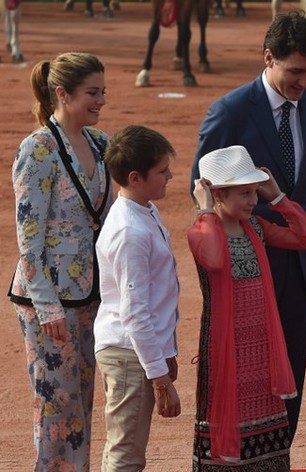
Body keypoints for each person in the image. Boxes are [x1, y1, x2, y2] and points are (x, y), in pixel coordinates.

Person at [189, 10, 306, 441]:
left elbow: (302, 185)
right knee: (244, 373)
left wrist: (281, 206)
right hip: (245, 265)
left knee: (290, 367)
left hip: (298, 259)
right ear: (268, 57)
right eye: (295, 71)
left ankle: (279, 456)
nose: (303, 82)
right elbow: (201, 185)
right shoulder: (230, 111)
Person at [188, 145, 306, 470]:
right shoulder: (200, 231)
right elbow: (216, 258)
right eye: (243, 193)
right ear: (216, 193)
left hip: (261, 351)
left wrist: (277, 197)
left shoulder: (257, 227)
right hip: (226, 352)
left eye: (254, 192)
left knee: (266, 432)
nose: (252, 200)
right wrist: (205, 210)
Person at [9, 52, 111, 470]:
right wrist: (47, 306)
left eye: (103, 91)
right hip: (46, 303)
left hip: (91, 296)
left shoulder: (101, 142)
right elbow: (28, 239)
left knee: (81, 404)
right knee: (55, 410)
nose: (101, 100)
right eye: (92, 93)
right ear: (62, 93)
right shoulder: (37, 150)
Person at [93, 125, 181, 471]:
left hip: (134, 351)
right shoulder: (130, 230)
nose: (169, 175)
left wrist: (166, 353)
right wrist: (160, 377)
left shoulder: (142, 209)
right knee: (126, 455)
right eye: (161, 171)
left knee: (122, 447)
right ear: (136, 177)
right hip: (129, 353)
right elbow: (135, 313)